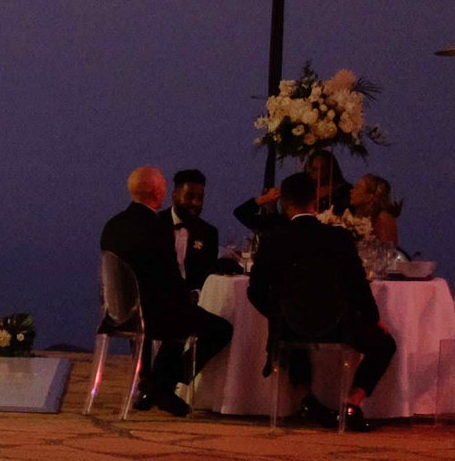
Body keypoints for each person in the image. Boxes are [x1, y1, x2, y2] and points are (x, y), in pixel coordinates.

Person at [250, 169, 396, 431]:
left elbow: (255, 291)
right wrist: (375, 319)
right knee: (385, 344)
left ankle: (306, 399)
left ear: (284, 204)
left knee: (291, 332)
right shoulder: (338, 237)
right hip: (338, 326)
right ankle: (353, 403)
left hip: (291, 326)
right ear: (314, 203)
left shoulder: (274, 240)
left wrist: (278, 313)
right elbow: (358, 286)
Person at [99, 166, 234, 416]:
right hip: (151, 314)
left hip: (116, 313)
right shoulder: (157, 227)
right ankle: (161, 385)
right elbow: (169, 277)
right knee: (219, 328)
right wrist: (187, 302)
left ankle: (157, 385)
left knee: (182, 318)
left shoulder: (112, 225)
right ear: (162, 194)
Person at [237, 148, 346, 235]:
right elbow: (242, 214)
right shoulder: (283, 223)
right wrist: (265, 199)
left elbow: (242, 213)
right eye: (311, 168)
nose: (313, 173)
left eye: (317, 169)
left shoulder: (341, 194)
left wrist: (262, 200)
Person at [169, 169, 237, 292]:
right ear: (174, 195)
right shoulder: (154, 224)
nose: (195, 202)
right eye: (189, 197)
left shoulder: (208, 233)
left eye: (200, 198)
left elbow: (207, 277)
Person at [350, 174, 404, 247]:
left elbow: (387, 252)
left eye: (358, 188)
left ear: (369, 197)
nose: (352, 191)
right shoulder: (365, 217)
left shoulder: (383, 218)